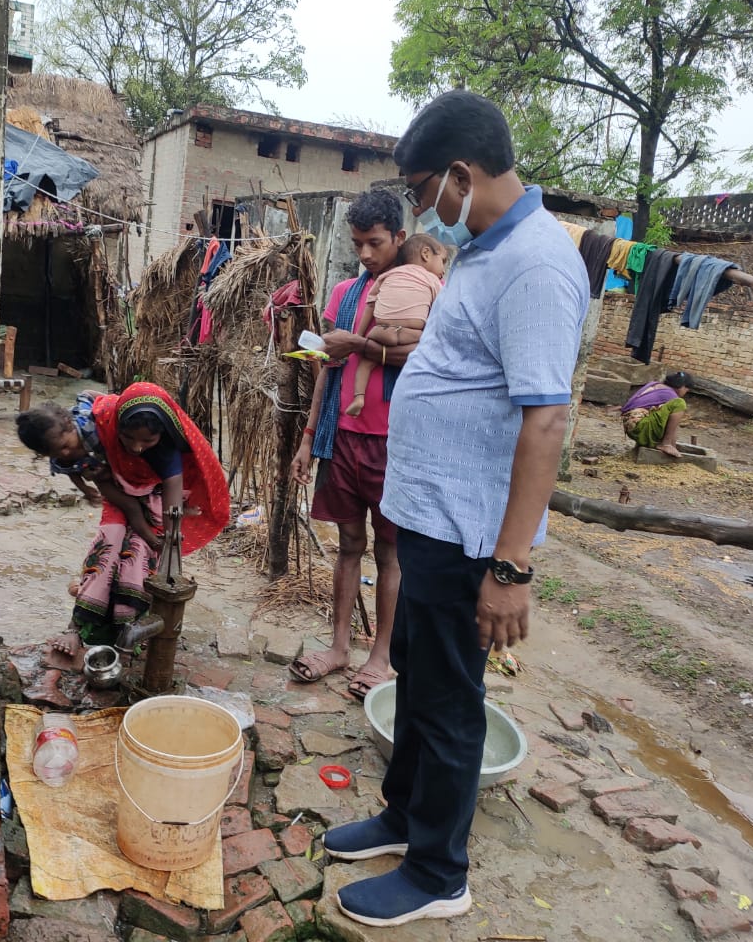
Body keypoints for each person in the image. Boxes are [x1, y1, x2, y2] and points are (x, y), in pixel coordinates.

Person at [321, 91, 589, 927]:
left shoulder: (539, 265)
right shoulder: (483, 250)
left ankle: (439, 872)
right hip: (428, 516)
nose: (417, 205)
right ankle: (403, 819)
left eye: (422, 186)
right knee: (417, 681)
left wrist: (511, 569)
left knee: (447, 701)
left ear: (463, 176)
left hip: (471, 532)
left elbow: (545, 418)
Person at [288, 188, 418, 701]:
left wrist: (358, 344)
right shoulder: (344, 294)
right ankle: (339, 647)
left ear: (400, 238)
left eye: (375, 243)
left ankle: (380, 657)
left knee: (390, 551)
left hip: (394, 443)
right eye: (357, 243)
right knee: (347, 545)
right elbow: (326, 370)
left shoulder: (419, 290)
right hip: (341, 438)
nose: (365, 253)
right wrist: (307, 440)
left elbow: (421, 358)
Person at [16, 382, 229, 664]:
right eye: (128, 439)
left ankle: (130, 630)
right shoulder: (103, 424)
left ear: (160, 435)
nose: (137, 448)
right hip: (116, 489)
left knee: (138, 555)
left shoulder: (165, 450)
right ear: (117, 425)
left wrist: (167, 537)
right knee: (108, 545)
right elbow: (93, 401)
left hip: (155, 496)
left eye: (147, 442)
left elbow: (172, 507)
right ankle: (79, 629)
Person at [345, 233, 447, 417]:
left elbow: (371, 304)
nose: (444, 269)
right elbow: (439, 311)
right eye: (443, 261)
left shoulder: (387, 276)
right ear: (426, 254)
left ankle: (359, 398)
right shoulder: (433, 280)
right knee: (419, 359)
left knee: (366, 363)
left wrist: (358, 337)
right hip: (411, 334)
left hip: (380, 331)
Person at [621, 371, 691, 457]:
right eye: (686, 390)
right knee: (680, 403)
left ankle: (640, 446)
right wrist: (671, 444)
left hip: (631, 426)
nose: (685, 393)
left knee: (662, 413)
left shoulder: (654, 384)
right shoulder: (670, 394)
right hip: (639, 428)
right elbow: (673, 423)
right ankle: (666, 444)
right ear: (682, 387)